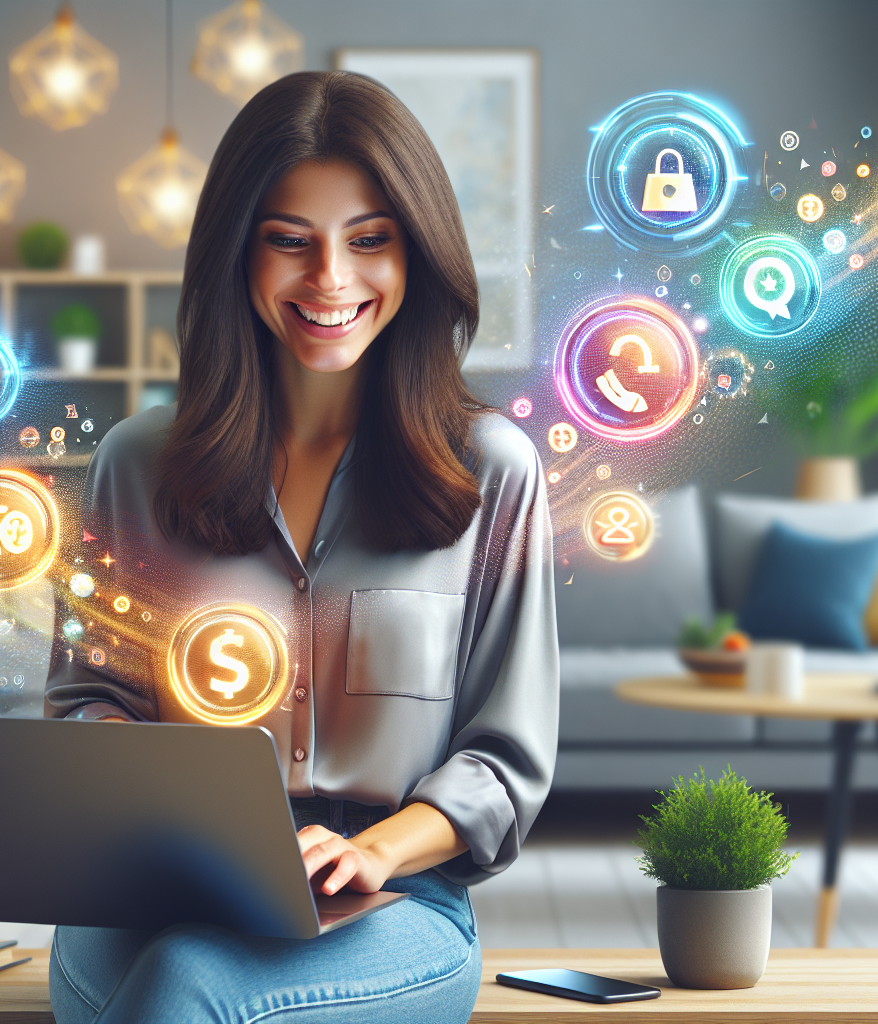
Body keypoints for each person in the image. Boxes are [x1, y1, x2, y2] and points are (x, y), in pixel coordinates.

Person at [45, 70, 558, 1024]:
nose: (330, 279)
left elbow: (504, 758)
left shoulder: (494, 472)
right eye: (290, 241)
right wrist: (179, 813)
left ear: (419, 253)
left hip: (394, 898)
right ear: (240, 254)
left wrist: (376, 849)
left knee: (186, 988)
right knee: (175, 971)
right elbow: (87, 704)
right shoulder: (135, 465)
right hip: (151, 890)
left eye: (369, 240)